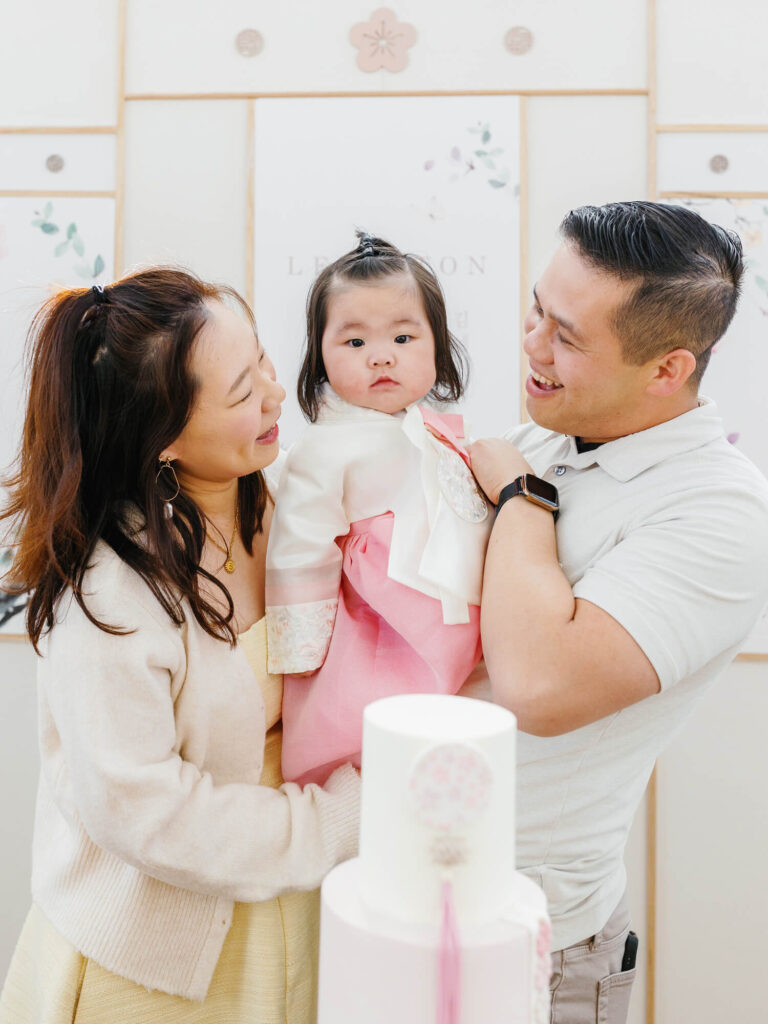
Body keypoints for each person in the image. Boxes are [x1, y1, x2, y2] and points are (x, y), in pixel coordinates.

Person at [0, 269, 360, 1024]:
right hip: (151, 965)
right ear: (162, 439)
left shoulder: (289, 505)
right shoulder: (108, 596)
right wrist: (343, 819)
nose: (272, 393)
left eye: (262, 359)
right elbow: (146, 815)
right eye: (239, 393)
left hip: (286, 906)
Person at [469, 201, 768, 1024]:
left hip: (539, 936)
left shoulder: (718, 513)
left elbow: (538, 686)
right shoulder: (543, 437)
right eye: (536, 309)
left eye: (566, 337)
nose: (532, 346)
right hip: (417, 895)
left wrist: (519, 498)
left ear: (667, 370)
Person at [265, 232, 490, 785]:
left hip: (454, 610)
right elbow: (300, 541)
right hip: (382, 618)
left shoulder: (436, 432)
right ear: (319, 354)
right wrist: (301, 648)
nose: (382, 355)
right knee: (375, 725)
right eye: (355, 343)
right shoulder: (324, 447)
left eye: (404, 336)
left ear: (437, 346)